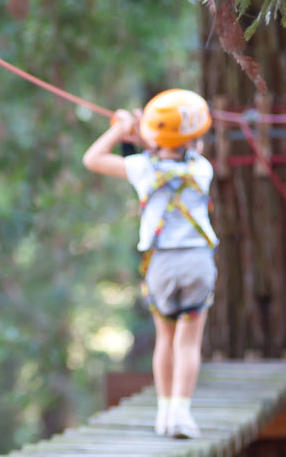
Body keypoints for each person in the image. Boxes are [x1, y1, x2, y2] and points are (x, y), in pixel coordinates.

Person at [82, 89, 218, 439]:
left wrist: (121, 128)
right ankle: (182, 414)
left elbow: (93, 158)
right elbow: (175, 143)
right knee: (188, 342)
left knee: (165, 339)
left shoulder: (141, 168)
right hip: (197, 262)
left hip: (160, 264)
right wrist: (144, 128)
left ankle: (163, 413)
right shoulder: (202, 169)